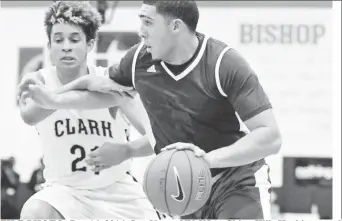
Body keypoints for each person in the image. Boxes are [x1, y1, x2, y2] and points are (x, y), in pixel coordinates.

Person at [19, 0, 282, 219]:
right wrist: (53, 100)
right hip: (185, 187)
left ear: (175, 26)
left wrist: (205, 161)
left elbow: (270, 137)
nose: (141, 31)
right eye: (140, 20)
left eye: (148, 22)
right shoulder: (139, 60)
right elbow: (100, 90)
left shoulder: (223, 63)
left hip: (234, 178)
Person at [17, 1, 160, 219]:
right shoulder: (39, 81)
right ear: (49, 46)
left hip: (117, 191)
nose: (66, 46)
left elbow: (156, 137)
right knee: (34, 211)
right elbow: (29, 116)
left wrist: (126, 149)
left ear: (90, 44)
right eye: (58, 40)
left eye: (74, 40)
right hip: (65, 193)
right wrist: (82, 82)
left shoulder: (110, 81)